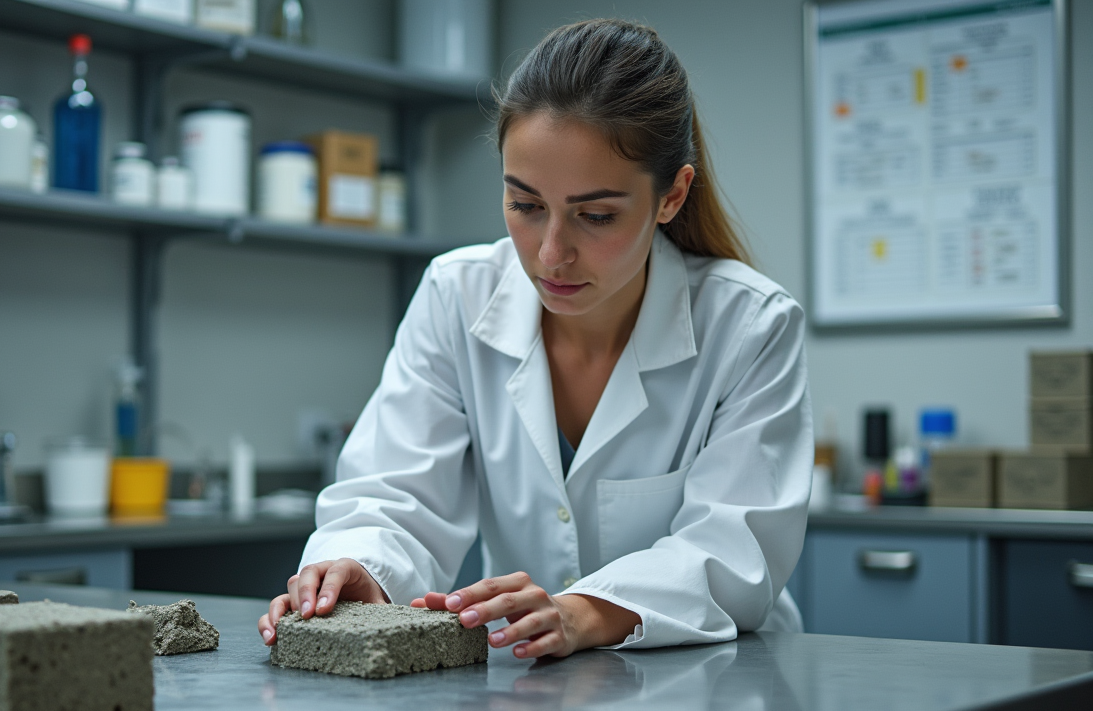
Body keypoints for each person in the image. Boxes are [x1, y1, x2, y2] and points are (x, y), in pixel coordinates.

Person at [258, 18, 812, 659]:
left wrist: (583, 612)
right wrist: (358, 565)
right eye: (524, 205)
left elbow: (734, 550)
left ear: (672, 195)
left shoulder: (750, 324)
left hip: (716, 682)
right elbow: (395, 492)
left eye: (596, 215)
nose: (551, 254)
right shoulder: (456, 295)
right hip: (534, 685)